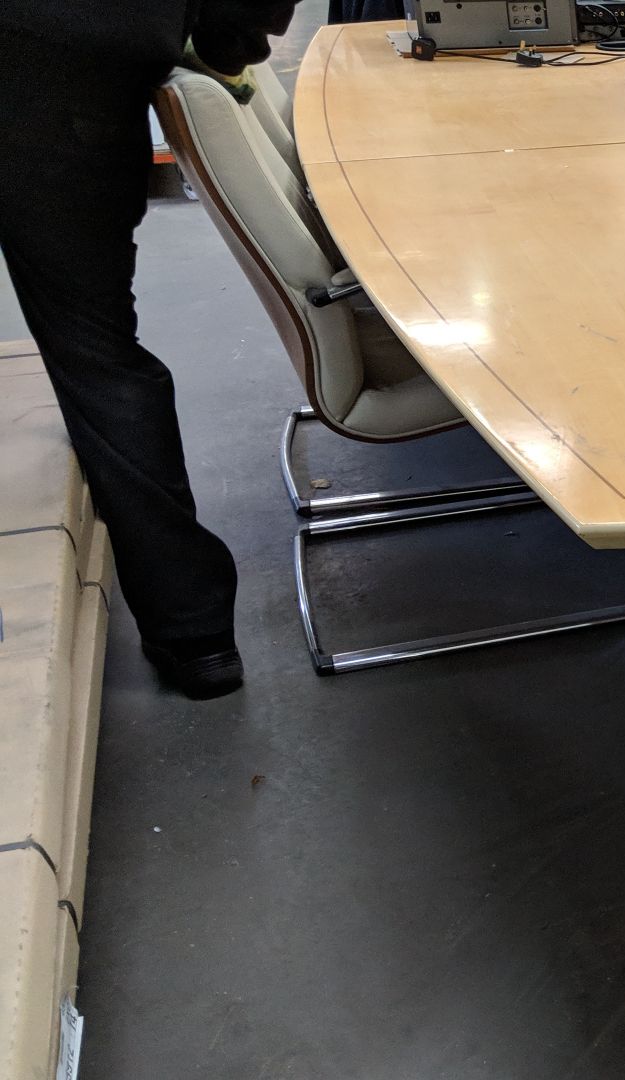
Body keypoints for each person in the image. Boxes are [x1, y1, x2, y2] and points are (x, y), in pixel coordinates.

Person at [0, 1, 298, 699]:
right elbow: (236, 25)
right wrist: (224, 41)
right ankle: (195, 634)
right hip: (70, 76)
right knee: (98, 357)